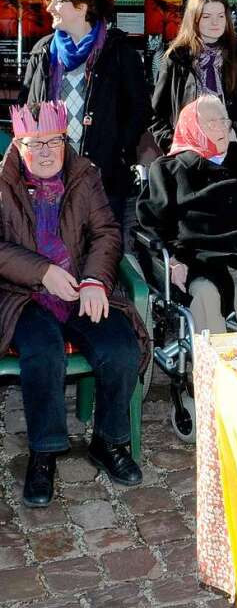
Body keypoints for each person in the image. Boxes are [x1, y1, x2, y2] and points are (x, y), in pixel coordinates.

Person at [0, 102, 147, 507]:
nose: (46, 151)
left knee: (120, 347)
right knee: (44, 351)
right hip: (21, 296)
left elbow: (106, 233)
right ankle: (43, 454)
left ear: (67, 142)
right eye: (35, 143)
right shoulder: (2, 182)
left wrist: (96, 280)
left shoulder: (86, 177)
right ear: (19, 143)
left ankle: (109, 442)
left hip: (81, 289)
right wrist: (41, 272)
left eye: (54, 141)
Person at [137, 97, 237, 334]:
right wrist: (171, 262)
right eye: (212, 123)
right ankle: (214, 367)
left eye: (225, 121)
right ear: (193, 128)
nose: (222, 128)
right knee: (206, 294)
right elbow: (151, 223)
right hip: (196, 259)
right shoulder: (168, 169)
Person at [20, 0, 149, 221]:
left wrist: (119, 149)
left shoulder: (118, 52)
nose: (49, 8)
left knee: (101, 248)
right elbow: (28, 107)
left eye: (58, 2)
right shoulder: (43, 51)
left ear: (82, 7)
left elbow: (139, 108)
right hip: (50, 173)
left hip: (103, 174)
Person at [150, 0, 237, 158]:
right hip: (190, 153)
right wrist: (173, 143)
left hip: (234, 151)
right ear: (194, 19)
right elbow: (156, 113)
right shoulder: (177, 58)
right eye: (206, 17)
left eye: (220, 16)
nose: (215, 23)